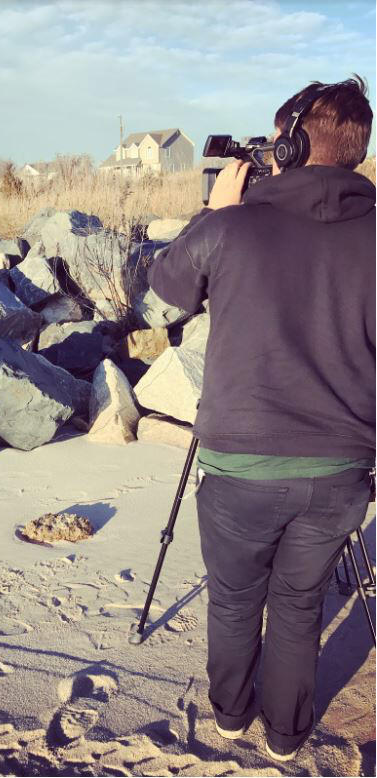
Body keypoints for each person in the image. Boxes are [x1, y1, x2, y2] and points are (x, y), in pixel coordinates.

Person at [147, 76, 375, 762]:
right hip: (340, 467)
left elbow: (160, 297)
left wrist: (211, 212)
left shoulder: (229, 225)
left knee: (233, 600)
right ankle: (285, 734)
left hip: (240, 464)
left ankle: (229, 715)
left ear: (289, 141)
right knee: (298, 604)